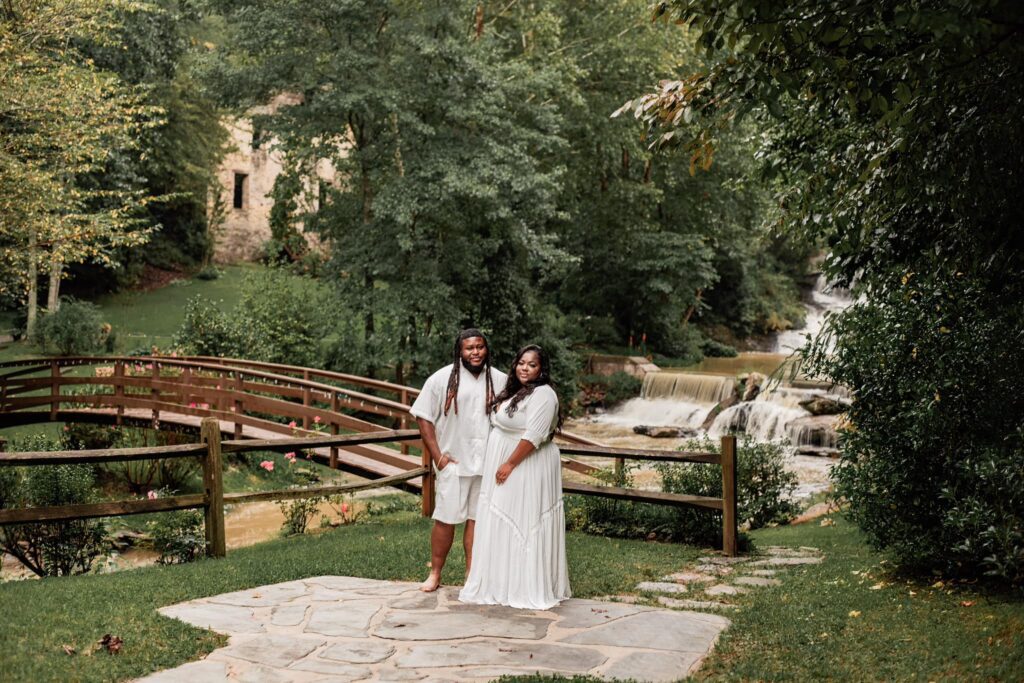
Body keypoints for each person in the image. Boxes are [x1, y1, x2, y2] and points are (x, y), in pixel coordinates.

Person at [459, 344, 571, 609]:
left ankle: (524, 584)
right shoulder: (517, 391)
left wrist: (509, 463)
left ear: (542, 369)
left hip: (525, 465)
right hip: (506, 463)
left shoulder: (543, 394)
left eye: (532, 365)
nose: (525, 368)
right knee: (501, 518)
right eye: (522, 363)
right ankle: (502, 582)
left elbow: (534, 436)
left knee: (520, 520)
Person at [409, 328, 506, 592]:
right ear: (459, 351)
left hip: (487, 464)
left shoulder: (499, 379)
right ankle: (435, 573)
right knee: (445, 519)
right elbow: (422, 415)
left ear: (487, 350)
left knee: (477, 520)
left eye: (480, 347)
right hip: (453, 462)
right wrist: (437, 456)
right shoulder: (442, 379)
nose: (476, 352)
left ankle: (471, 577)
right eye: (469, 348)